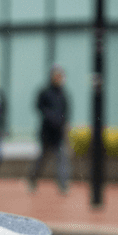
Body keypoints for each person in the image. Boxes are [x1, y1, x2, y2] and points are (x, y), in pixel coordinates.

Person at [28, 65, 71, 195]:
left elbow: (66, 111)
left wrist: (64, 124)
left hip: (59, 133)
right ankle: (32, 179)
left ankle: (63, 185)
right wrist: (51, 117)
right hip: (47, 132)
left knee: (62, 159)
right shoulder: (45, 92)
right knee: (43, 158)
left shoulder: (63, 93)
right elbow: (39, 107)